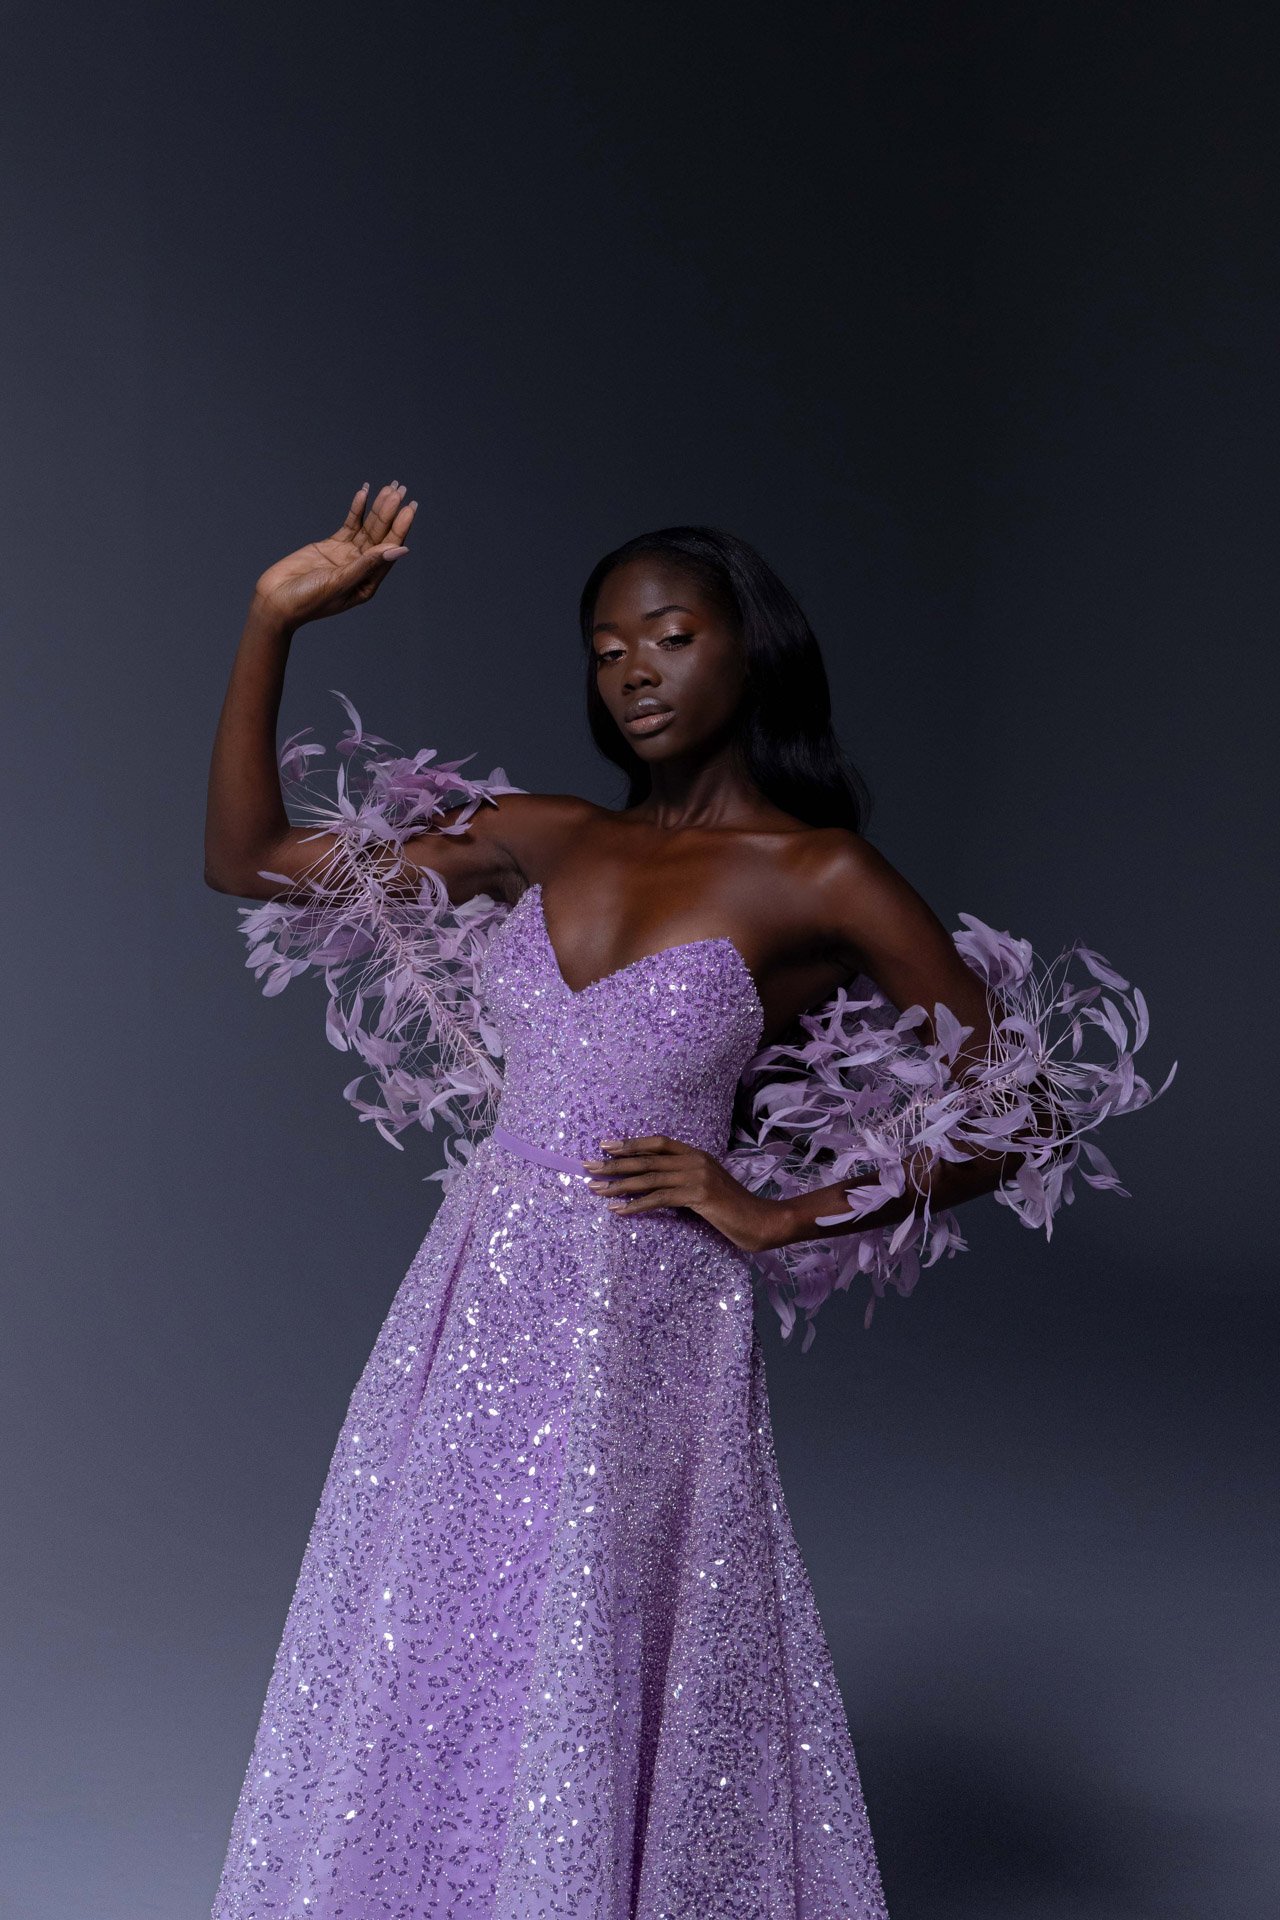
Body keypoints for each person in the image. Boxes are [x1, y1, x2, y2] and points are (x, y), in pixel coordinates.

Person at [203, 482, 1172, 1917]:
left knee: (603, 1632)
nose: (634, 672)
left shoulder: (818, 875)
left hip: (649, 1315)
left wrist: (785, 1211)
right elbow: (248, 864)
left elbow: (1025, 1107)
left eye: (669, 636)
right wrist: (271, 620)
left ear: (749, 650)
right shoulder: (542, 834)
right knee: (442, 1616)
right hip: (476, 1299)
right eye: (607, 650)